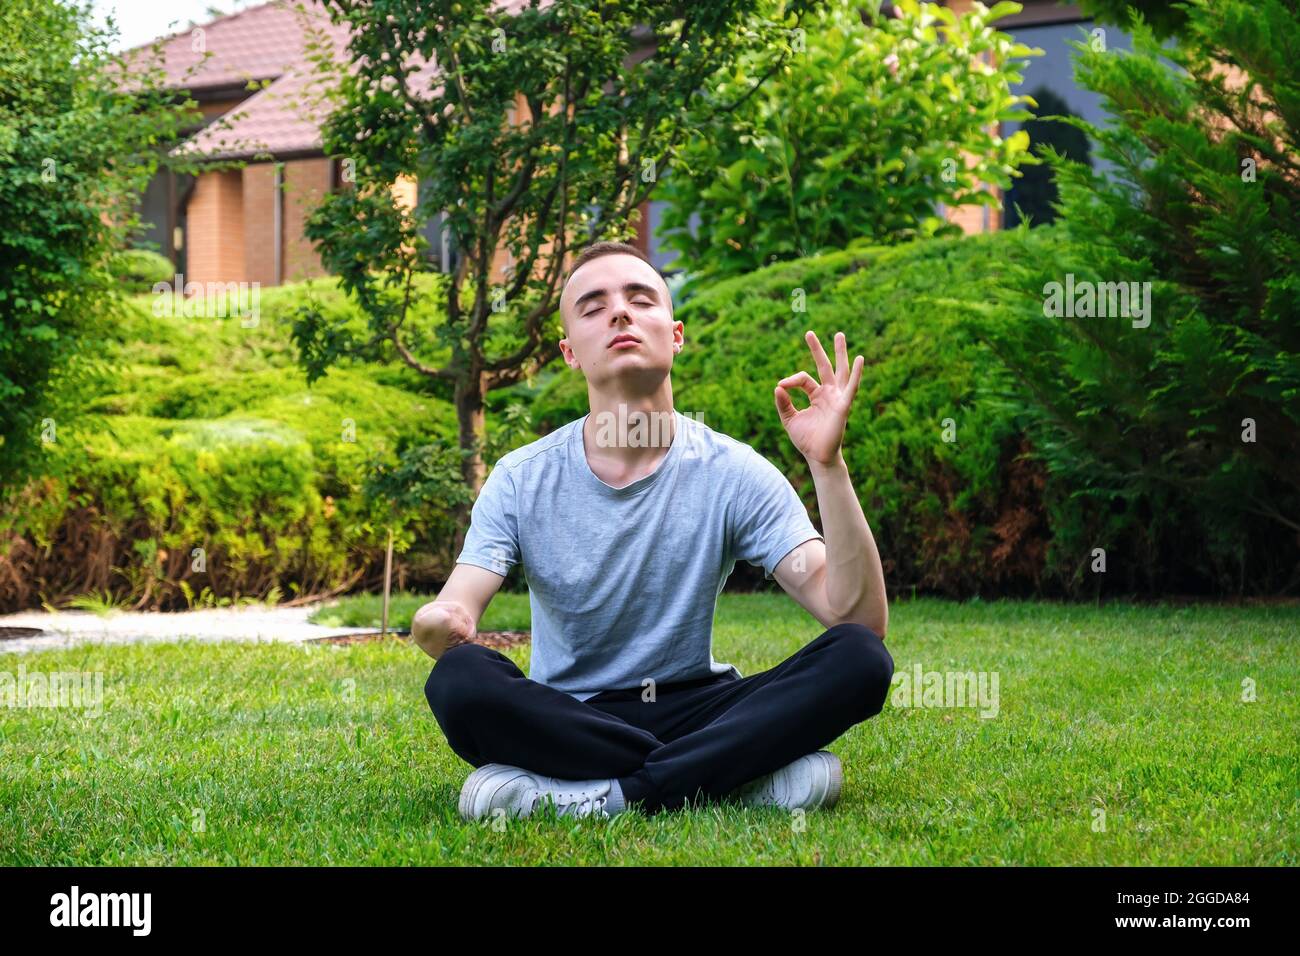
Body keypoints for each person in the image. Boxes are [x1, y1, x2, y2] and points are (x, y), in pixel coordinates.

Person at [413, 240, 893, 821]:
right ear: (569, 352)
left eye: (640, 300)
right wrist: (439, 625)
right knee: (459, 680)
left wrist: (827, 465)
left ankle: (602, 796)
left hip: (699, 705)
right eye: (593, 307)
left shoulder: (733, 472)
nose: (619, 312)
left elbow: (857, 620)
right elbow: (455, 608)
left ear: (675, 334)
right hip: (570, 715)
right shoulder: (521, 478)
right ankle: (732, 777)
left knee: (861, 659)